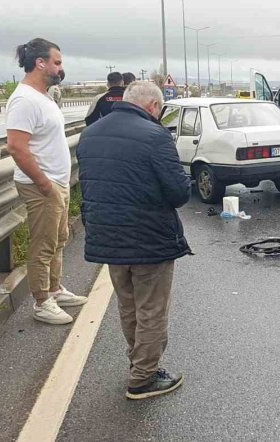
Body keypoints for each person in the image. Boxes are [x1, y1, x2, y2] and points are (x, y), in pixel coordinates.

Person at [77, 81, 192, 400]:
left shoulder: (90, 134)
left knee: (128, 305)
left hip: (107, 237)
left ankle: (138, 363)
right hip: (148, 238)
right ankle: (143, 377)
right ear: (154, 107)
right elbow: (179, 193)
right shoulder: (156, 136)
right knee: (152, 309)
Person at [5, 38, 88, 325]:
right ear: (40, 63)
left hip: (56, 181)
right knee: (43, 244)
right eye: (57, 62)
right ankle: (42, 302)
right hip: (42, 184)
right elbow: (16, 146)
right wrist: (43, 184)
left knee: (59, 238)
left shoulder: (44, 96)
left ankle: (54, 289)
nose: (60, 67)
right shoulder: (24, 99)